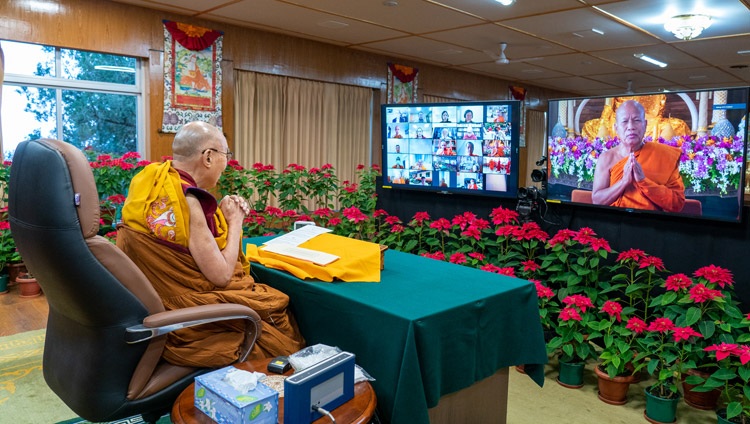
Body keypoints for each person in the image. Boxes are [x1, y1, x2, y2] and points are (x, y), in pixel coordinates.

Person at [117, 121, 305, 368]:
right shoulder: (189, 202)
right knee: (275, 307)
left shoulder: (151, 181)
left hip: (144, 305)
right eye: (226, 155)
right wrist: (235, 221)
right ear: (208, 157)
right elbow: (221, 275)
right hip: (184, 321)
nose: (226, 164)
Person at [591, 100, 685, 212]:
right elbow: (597, 200)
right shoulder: (606, 158)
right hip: (615, 222)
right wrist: (623, 182)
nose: (631, 127)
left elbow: (677, 204)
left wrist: (643, 181)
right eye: (625, 121)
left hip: (650, 224)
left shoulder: (664, 156)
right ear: (616, 128)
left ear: (645, 125)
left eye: (636, 120)